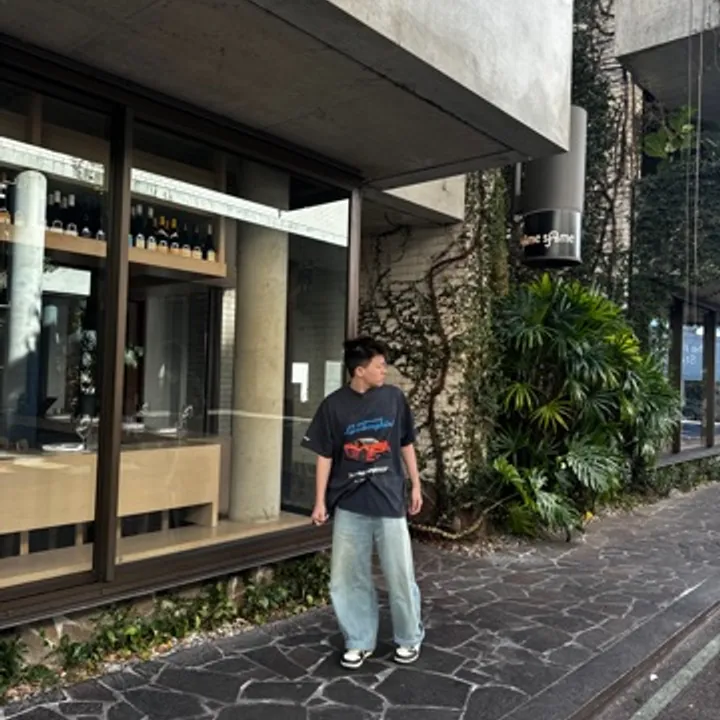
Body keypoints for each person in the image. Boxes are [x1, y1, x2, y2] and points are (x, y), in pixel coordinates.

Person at [302, 337, 425, 670]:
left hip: (389, 499)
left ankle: (409, 637)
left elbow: (406, 443)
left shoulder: (394, 398)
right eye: (379, 365)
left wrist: (416, 484)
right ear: (360, 370)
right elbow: (325, 456)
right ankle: (358, 640)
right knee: (347, 578)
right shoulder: (334, 406)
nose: (384, 370)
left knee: (400, 574)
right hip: (350, 502)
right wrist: (319, 502)